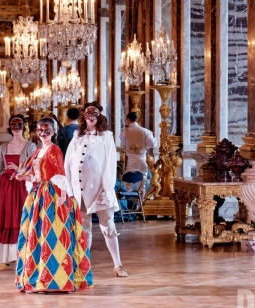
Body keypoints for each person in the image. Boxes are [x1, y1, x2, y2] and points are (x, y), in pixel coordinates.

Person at [14, 116, 93, 293]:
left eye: (47, 130)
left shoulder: (54, 150)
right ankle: (40, 276)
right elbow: (38, 175)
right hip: (39, 193)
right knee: (38, 234)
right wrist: (24, 177)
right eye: (40, 130)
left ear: (53, 132)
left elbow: (60, 174)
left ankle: (54, 279)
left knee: (52, 235)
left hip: (52, 195)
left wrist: (63, 196)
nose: (43, 133)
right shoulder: (38, 151)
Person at [64, 101, 128, 277]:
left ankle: (118, 265)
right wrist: (69, 188)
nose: (91, 117)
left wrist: (107, 189)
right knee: (84, 228)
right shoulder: (77, 136)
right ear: (83, 116)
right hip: (80, 189)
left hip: (100, 189)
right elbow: (68, 162)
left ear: (99, 115)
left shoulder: (106, 137)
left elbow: (109, 164)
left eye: (94, 113)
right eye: (87, 113)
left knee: (108, 225)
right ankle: (84, 266)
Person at [0, 115, 37, 265]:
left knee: (20, 217)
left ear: (24, 126)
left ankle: (22, 253)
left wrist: (19, 169)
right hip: (4, 187)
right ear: (10, 127)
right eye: (13, 125)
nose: (16, 128)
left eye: (19, 125)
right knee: (5, 217)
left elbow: (34, 168)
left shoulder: (30, 146)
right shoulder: (3, 147)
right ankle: (7, 255)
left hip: (22, 185)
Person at [119, 111, 157, 188]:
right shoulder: (145, 131)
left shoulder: (124, 132)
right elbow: (153, 144)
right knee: (142, 182)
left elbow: (123, 145)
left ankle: (129, 198)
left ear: (128, 119)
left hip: (131, 159)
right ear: (136, 119)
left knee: (128, 182)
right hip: (142, 158)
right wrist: (146, 144)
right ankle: (140, 199)